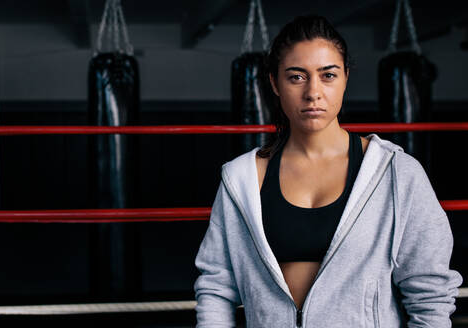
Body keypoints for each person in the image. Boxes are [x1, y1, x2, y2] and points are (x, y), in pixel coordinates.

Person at [193, 15, 462, 327]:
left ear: (346, 78)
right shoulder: (241, 179)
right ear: (274, 83)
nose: (313, 92)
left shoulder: (397, 174)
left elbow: (430, 296)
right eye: (296, 77)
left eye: (328, 75)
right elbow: (215, 287)